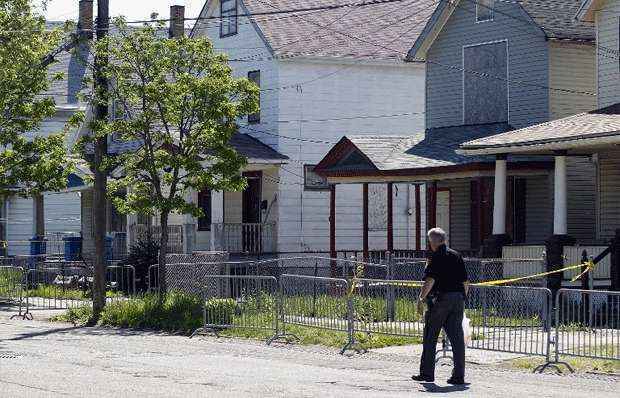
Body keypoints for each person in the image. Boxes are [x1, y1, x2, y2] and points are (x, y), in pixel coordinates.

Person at [411, 227, 469, 385]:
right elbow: (465, 281)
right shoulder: (456, 255)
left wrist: (421, 299)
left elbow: (430, 280)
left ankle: (427, 374)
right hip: (458, 299)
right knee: (457, 338)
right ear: (444, 240)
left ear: (432, 242)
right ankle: (458, 376)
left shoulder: (435, 257)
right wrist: (462, 298)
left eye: (429, 241)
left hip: (440, 300)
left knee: (430, 336)